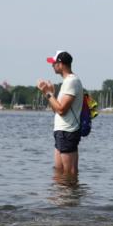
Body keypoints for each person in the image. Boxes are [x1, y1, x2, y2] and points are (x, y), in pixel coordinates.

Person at [37, 50, 84, 178]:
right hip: (62, 131)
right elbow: (56, 110)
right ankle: (61, 197)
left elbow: (62, 110)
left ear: (61, 64)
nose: (52, 66)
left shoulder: (71, 81)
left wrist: (47, 93)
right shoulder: (67, 82)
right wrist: (50, 94)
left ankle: (70, 197)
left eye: (54, 63)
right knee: (58, 171)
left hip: (68, 131)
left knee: (69, 172)